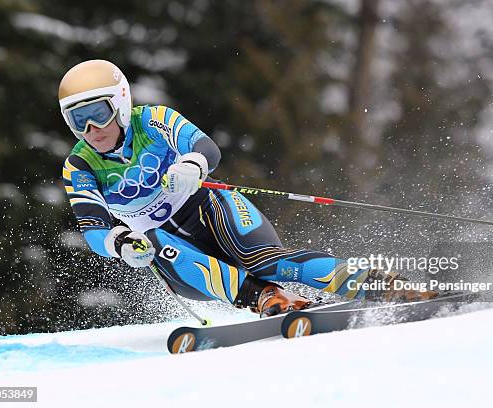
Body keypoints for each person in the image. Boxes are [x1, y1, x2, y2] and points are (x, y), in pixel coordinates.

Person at [59, 59, 435, 317]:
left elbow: (206, 147)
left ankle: (379, 285)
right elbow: (94, 230)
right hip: (177, 257)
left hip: (207, 207)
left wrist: (193, 163)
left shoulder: (152, 120)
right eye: (79, 120)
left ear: (121, 104)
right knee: (154, 240)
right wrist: (121, 244)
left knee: (265, 262)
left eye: (99, 113)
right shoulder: (79, 164)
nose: (92, 130)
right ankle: (266, 298)